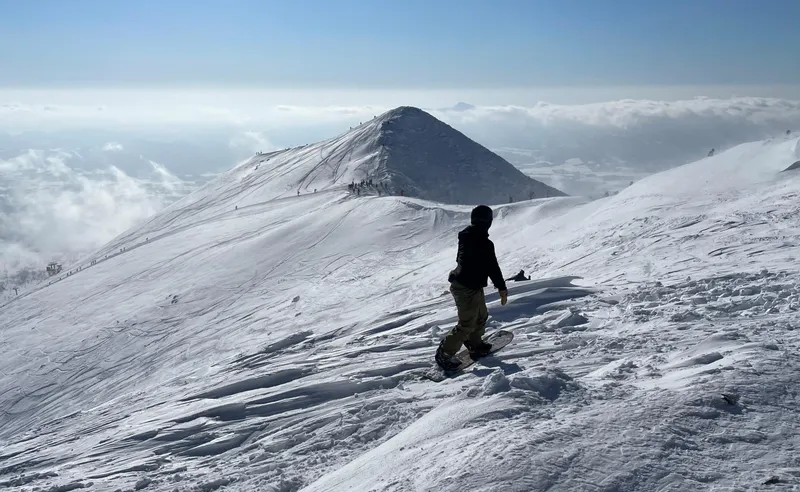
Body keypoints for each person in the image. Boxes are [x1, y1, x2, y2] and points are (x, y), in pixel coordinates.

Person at [435, 205, 508, 370]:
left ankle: (474, 343)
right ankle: (445, 353)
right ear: (487, 222)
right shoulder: (481, 242)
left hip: (470, 285)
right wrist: (501, 288)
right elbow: (492, 267)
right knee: (467, 323)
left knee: (481, 315)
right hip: (465, 287)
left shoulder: (467, 237)